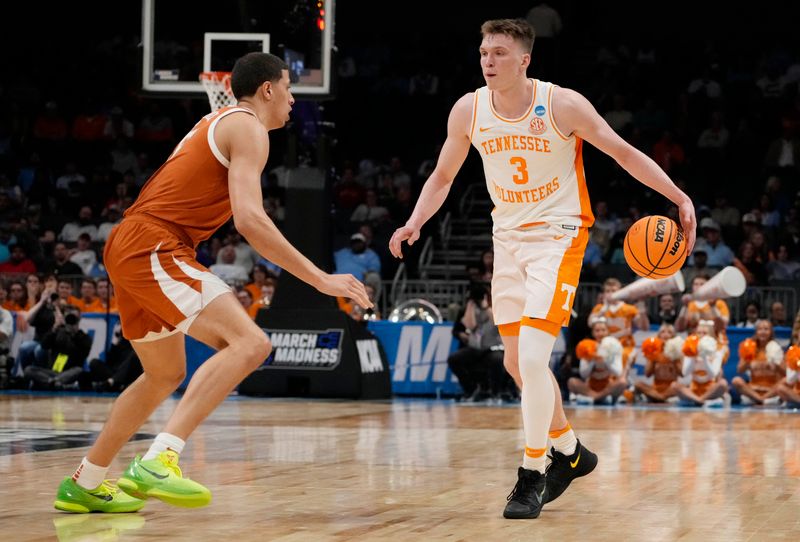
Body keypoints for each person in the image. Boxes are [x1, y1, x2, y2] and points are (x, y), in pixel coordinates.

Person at [389, 18, 696, 519]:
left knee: (533, 360)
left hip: (559, 237)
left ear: (525, 59)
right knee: (514, 364)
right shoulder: (469, 109)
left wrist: (677, 196)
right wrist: (414, 222)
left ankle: (532, 473)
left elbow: (621, 152)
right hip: (506, 241)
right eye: (485, 52)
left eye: (500, 53)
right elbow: (443, 175)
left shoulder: (562, 105)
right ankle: (572, 454)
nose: (489, 61)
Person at [53, 52, 371, 514]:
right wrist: (320, 278)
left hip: (133, 242)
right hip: (154, 242)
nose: (291, 98)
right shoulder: (249, 127)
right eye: (288, 86)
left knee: (164, 373)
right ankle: (160, 459)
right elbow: (250, 221)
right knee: (251, 344)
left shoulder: (221, 119)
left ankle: (87, 480)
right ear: (267, 89)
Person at [731, 320, 784, 405]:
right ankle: (759, 399)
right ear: (756, 332)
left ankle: (763, 399)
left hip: (771, 391)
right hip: (753, 390)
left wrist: (775, 363)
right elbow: (739, 370)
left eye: (766, 329)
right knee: (736, 381)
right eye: (760, 329)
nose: (763, 332)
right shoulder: (750, 347)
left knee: (784, 381)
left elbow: (785, 372)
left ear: (771, 332)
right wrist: (748, 359)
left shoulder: (776, 348)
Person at [633, 324, 682, 403]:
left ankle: (658, 398)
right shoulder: (654, 350)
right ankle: (661, 398)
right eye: (663, 332)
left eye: (669, 332)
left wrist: (674, 358)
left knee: (678, 387)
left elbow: (681, 373)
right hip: (655, 388)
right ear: (659, 336)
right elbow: (647, 374)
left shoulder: (678, 351)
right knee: (638, 384)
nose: (666, 334)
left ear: (673, 337)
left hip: (671, 388)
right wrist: (652, 357)